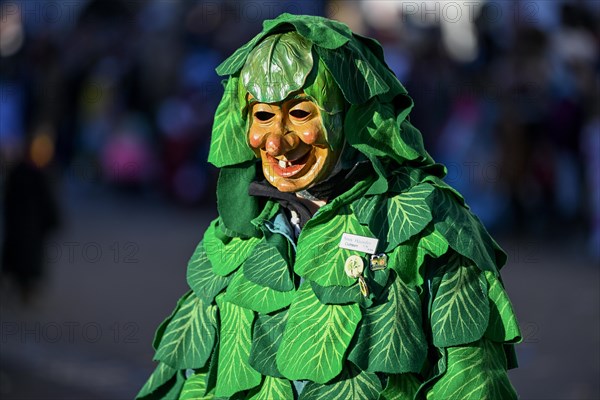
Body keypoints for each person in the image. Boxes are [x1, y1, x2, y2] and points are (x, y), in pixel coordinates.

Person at [137, 14, 520, 399]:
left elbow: (474, 380)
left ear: (350, 112)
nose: (275, 143)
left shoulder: (432, 222)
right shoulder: (236, 237)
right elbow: (190, 379)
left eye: (300, 113)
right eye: (263, 116)